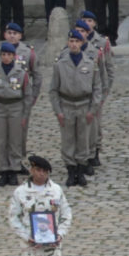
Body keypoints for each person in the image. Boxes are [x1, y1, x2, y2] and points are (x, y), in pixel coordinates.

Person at [9, 153, 71, 256]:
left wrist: (60, 234)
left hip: (52, 248)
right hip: (32, 248)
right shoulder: (21, 192)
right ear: (31, 170)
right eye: (38, 170)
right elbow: (13, 218)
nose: (41, 174)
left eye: (45, 171)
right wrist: (26, 236)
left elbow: (66, 215)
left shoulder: (56, 190)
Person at [51, 27, 102, 185]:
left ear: (82, 42)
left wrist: (93, 109)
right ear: (68, 43)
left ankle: (81, 170)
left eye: (77, 41)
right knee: (68, 140)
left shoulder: (90, 63)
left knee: (83, 139)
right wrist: (58, 111)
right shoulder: (60, 64)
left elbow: (97, 88)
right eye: (71, 41)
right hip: (67, 104)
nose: (74, 44)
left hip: (84, 105)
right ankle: (71, 170)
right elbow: (53, 90)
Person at [0, 38, 35, 185]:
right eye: (3, 54)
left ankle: (14, 169)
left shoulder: (21, 73)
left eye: (9, 54)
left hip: (15, 107)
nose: (6, 57)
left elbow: (27, 95)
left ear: (13, 56)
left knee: (14, 140)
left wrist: (25, 114)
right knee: (1, 141)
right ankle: (3, 169)